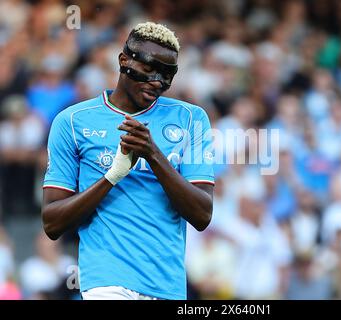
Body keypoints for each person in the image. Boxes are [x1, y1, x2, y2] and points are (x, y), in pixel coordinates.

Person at [41, 22, 215, 300]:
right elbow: (52, 223)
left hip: (166, 285)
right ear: (124, 60)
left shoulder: (191, 119)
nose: (157, 81)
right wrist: (112, 176)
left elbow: (202, 214)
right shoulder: (72, 122)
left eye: (166, 74)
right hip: (106, 281)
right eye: (149, 69)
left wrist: (153, 154)